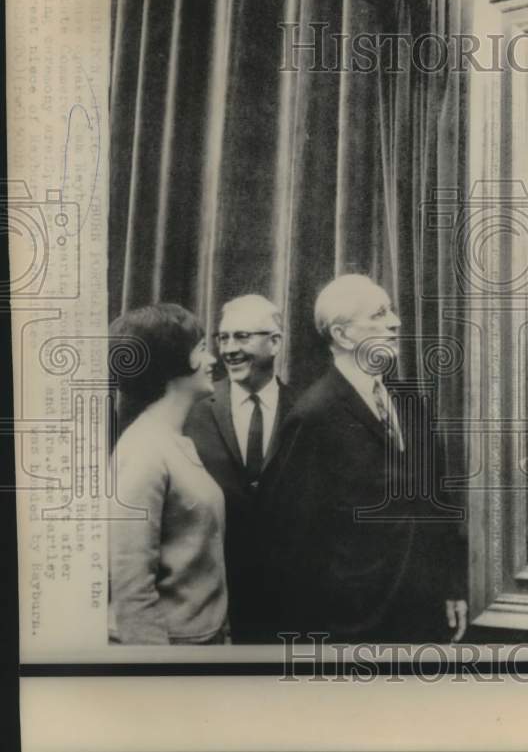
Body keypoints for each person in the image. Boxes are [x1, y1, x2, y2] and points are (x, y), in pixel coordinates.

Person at [257, 274, 468, 643]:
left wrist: (452, 584)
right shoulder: (313, 416)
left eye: (392, 311)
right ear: (343, 335)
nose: (396, 322)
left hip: (424, 616)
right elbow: (293, 543)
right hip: (353, 627)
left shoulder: (410, 403)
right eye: (379, 314)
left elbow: (438, 503)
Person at [108, 303, 229, 644]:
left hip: (199, 645)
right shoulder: (145, 450)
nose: (213, 361)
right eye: (203, 350)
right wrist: (158, 674)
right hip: (170, 652)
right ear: (174, 361)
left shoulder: (175, 441)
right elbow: (130, 587)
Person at [184, 294, 294, 643]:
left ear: (275, 342)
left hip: (290, 604)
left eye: (242, 337)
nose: (229, 349)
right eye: (224, 337)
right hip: (212, 603)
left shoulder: (307, 411)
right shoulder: (194, 411)